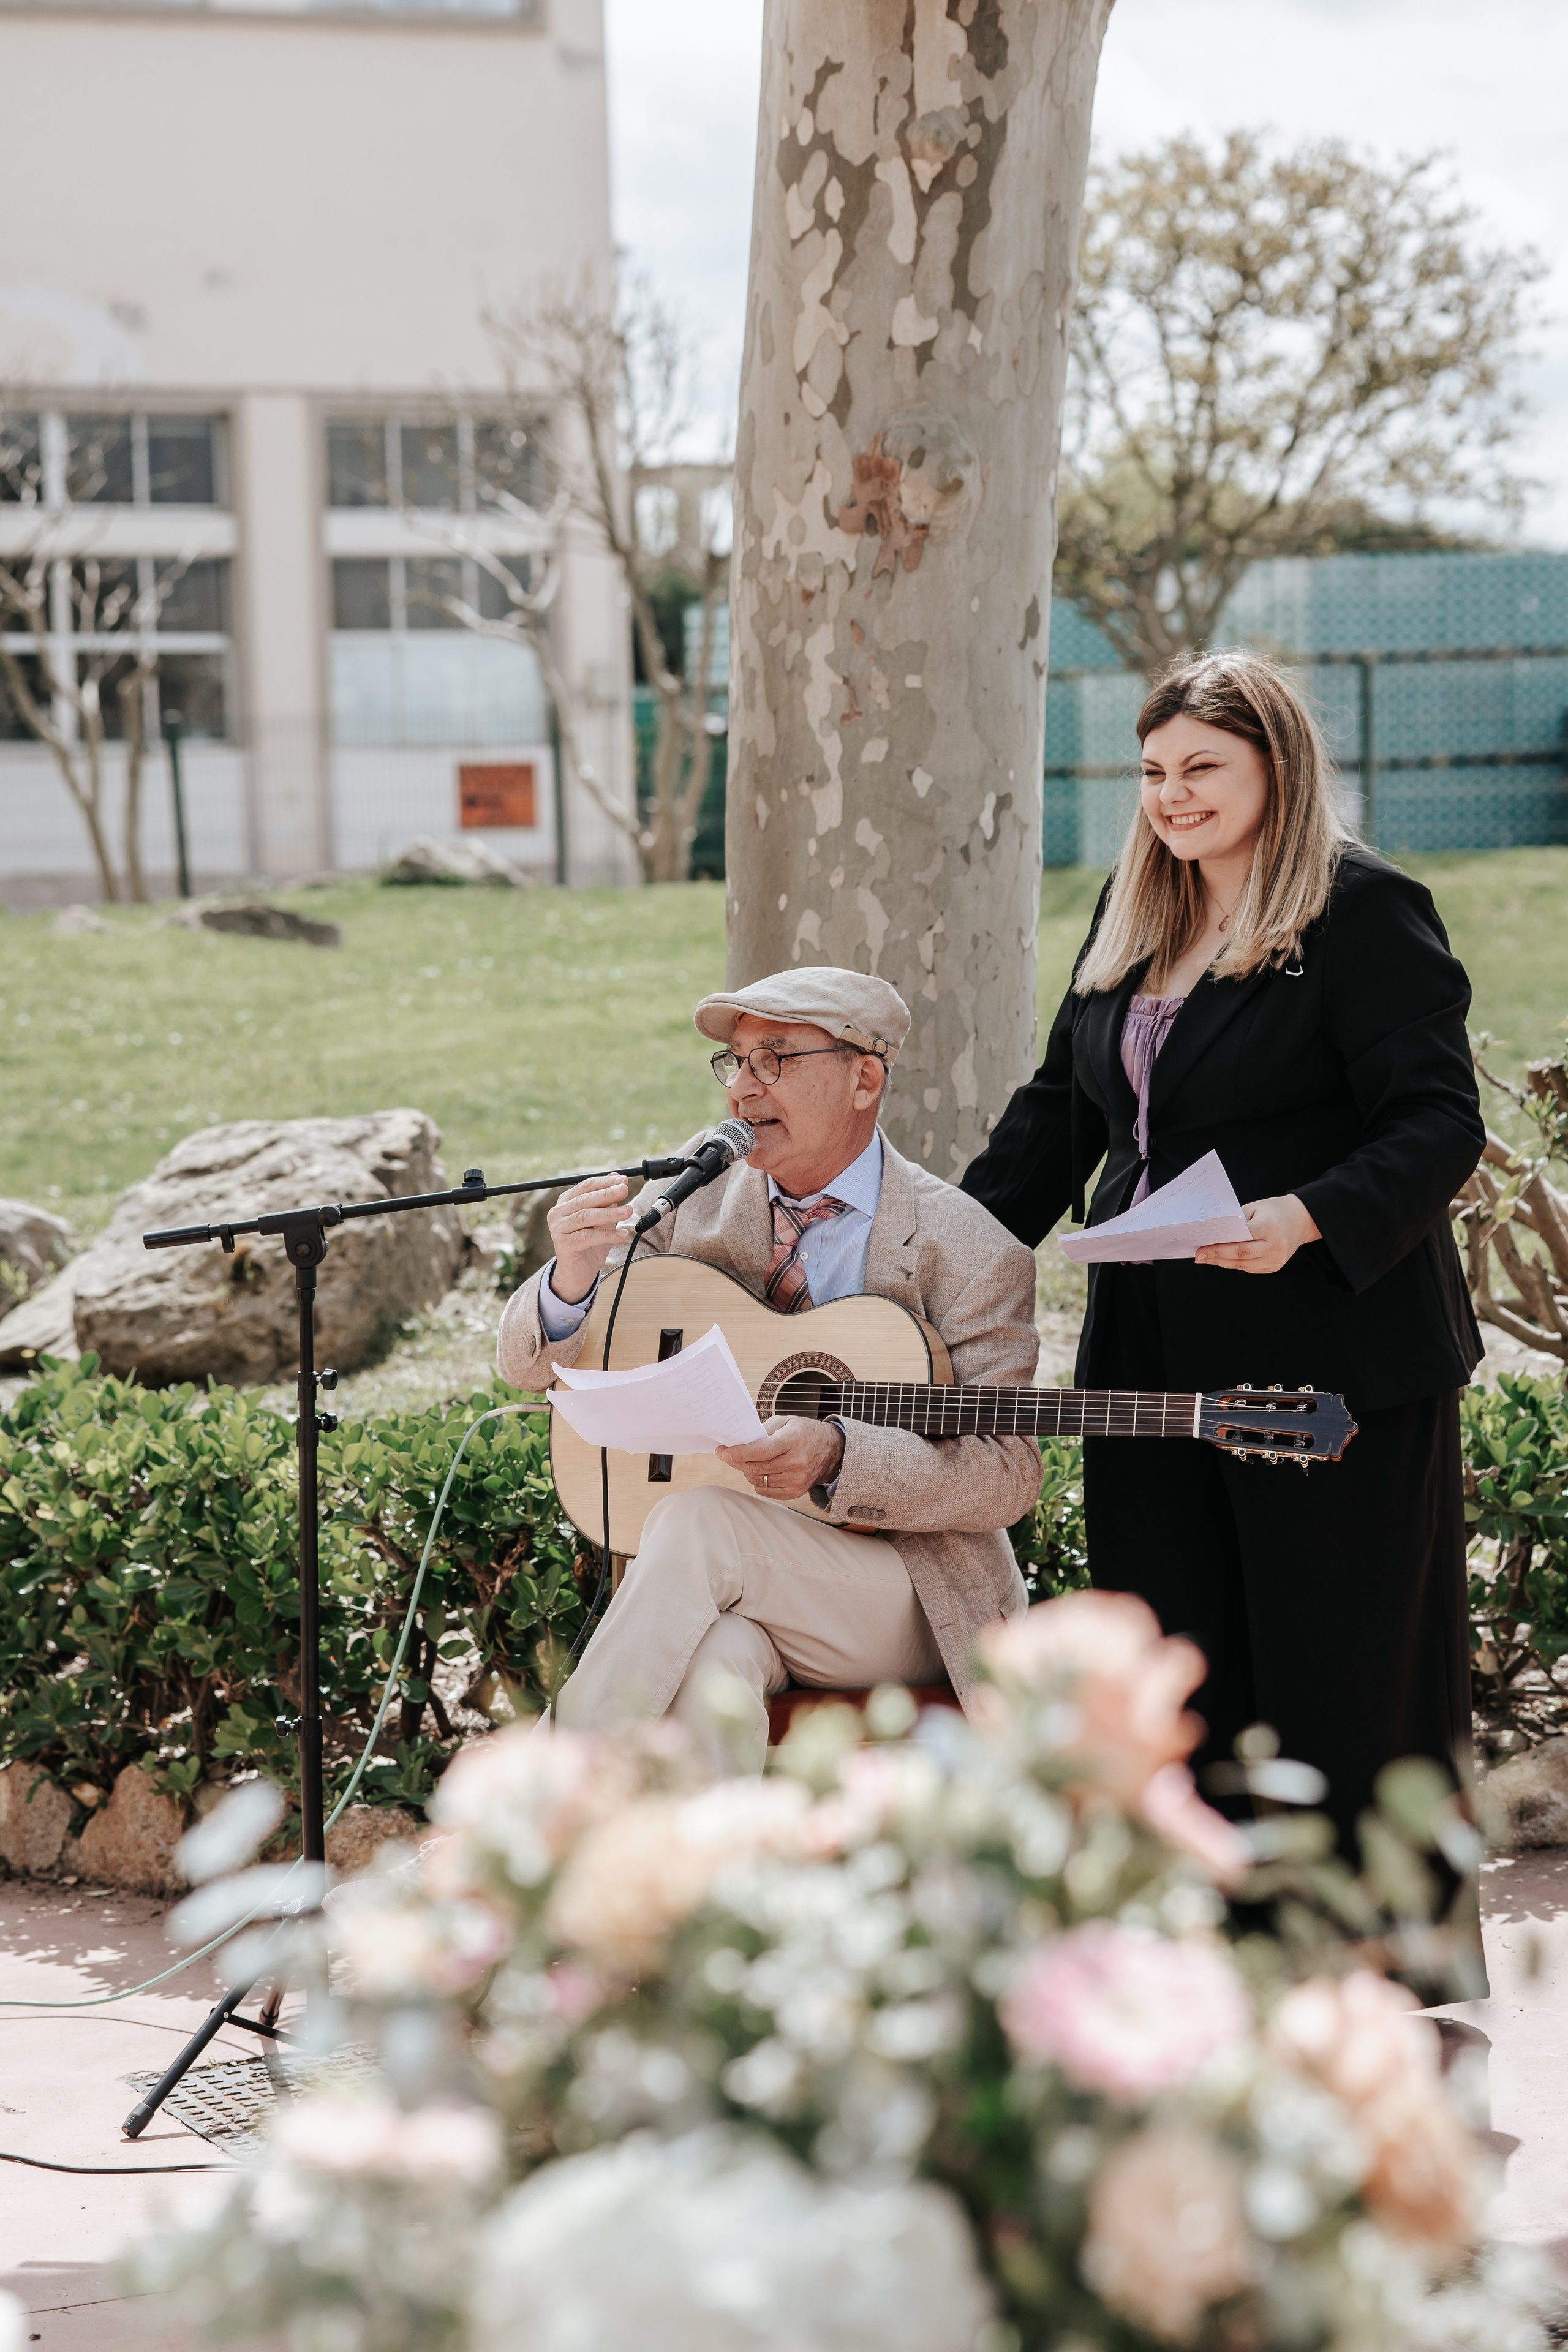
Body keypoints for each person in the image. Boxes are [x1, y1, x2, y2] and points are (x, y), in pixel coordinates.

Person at [961, 650, 1486, 1854]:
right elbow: (1058, 1112)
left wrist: (1303, 1215)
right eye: (1151, 771)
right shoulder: (1132, 908)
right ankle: (1199, 1947)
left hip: (1328, 1347)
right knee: (1171, 1649)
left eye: (1202, 767)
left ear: (1277, 767)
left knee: (1336, 1661)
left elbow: (1436, 1120)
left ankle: (1360, 1951)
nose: (1171, 795)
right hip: (1144, 1347)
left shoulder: (1361, 911)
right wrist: (939, 1260)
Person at [497, 967, 1042, 1771]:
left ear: (865, 1078)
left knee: (699, 1522)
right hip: (738, 1581)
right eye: (736, 1064)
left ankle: (544, 1805)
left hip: (909, 1591)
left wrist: (840, 1454)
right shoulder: (695, 1197)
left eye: (776, 1059)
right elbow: (527, 1366)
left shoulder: (971, 1253)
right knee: (715, 1663)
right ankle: (717, 1887)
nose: (744, 1092)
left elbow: (1007, 1476)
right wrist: (570, 1278)